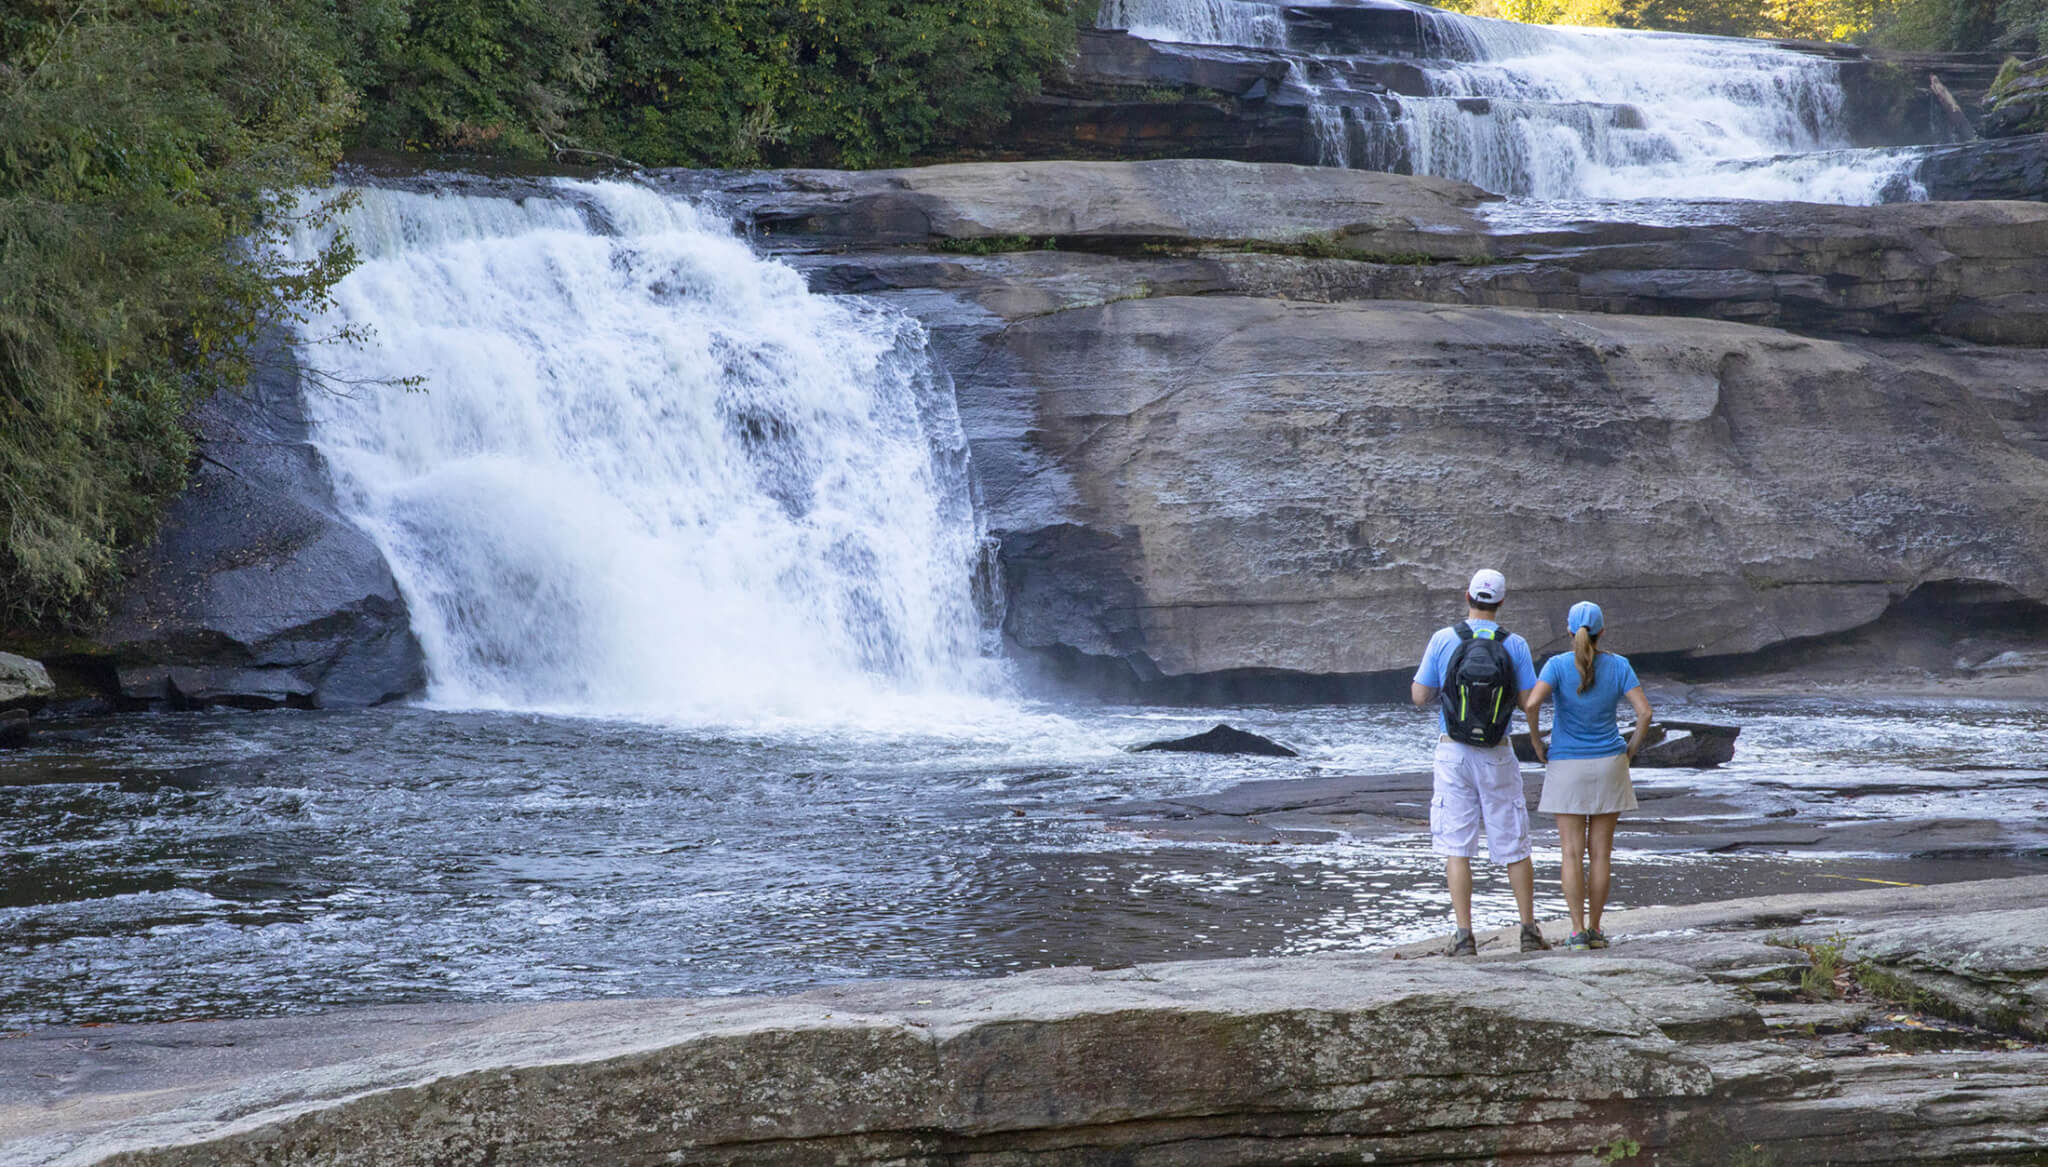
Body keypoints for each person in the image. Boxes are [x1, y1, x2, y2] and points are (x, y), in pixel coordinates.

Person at [1411, 569, 1549, 956]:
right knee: (1514, 842)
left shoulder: (1443, 638)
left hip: (1452, 752)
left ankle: (1463, 936)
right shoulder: (1515, 644)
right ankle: (1528, 930)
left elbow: (1420, 695)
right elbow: (1528, 701)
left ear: (1467, 596)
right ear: (1501, 602)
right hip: (1498, 752)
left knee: (1458, 846)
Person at [1525, 600, 1653, 951]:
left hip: (1566, 764)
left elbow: (1532, 704)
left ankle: (1577, 930)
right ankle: (1596, 930)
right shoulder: (1619, 666)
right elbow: (1644, 713)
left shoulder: (1556, 665)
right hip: (1609, 762)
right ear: (1602, 631)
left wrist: (1538, 743)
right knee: (1601, 855)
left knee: (1570, 853)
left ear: (1569, 631)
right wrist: (1630, 751)